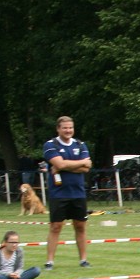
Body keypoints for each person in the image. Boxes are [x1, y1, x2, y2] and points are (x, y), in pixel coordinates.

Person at [42, 116, 93, 270]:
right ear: (58, 129)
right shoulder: (51, 145)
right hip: (59, 193)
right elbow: (60, 164)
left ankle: (83, 260)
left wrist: (64, 166)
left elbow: (87, 168)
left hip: (78, 193)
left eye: (70, 127)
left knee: (80, 226)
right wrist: (78, 163)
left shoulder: (80, 145)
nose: (68, 130)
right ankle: (50, 261)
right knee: (56, 226)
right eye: (65, 128)